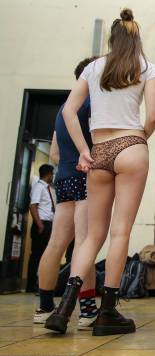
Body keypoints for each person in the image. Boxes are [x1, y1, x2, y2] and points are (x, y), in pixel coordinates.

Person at [45, 8, 155, 336]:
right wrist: (138, 141)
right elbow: (151, 116)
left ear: (112, 38)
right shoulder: (145, 67)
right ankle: (107, 312)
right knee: (120, 232)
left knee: (92, 235)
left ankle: (65, 307)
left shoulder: (94, 67)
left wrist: (83, 149)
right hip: (131, 147)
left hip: (98, 151)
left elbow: (69, 110)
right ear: (136, 38)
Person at [33, 57, 98, 330]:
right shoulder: (94, 104)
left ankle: (43, 306)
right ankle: (86, 311)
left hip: (65, 178)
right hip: (87, 176)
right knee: (85, 244)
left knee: (56, 244)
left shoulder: (64, 108)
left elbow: (56, 153)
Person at [27, 164, 55, 293]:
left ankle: (39, 283)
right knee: (37, 256)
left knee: (44, 255)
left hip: (47, 224)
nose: (52, 176)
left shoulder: (47, 188)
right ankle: (31, 285)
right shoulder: (39, 187)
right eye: (52, 174)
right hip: (41, 225)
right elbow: (33, 206)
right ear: (48, 174)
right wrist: (40, 225)